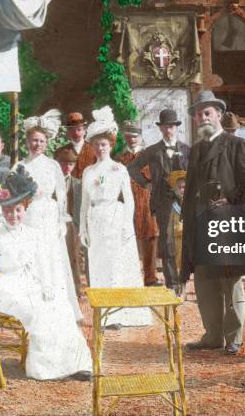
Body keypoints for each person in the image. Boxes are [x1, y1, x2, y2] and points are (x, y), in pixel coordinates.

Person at [0, 166, 92, 381]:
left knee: (61, 306)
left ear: (25, 208)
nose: (13, 215)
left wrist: (48, 286)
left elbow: (42, 264)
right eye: (7, 210)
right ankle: (46, 368)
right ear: (1, 210)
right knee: (38, 312)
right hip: (3, 287)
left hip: (29, 284)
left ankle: (75, 364)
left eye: (18, 210)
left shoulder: (32, 234)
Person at [181, 91, 245, 355]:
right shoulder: (196, 150)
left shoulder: (236, 145)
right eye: (199, 113)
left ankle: (233, 337)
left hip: (227, 225)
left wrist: (230, 199)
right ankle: (213, 335)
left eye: (208, 112)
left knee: (231, 280)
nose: (203, 117)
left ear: (218, 115)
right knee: (205, 282)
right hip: (201, 225)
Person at [79, 106, 152, 328]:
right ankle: (104, 313)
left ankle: (119, 314)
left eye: (104, 144)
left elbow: (128, 199)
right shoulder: (88, 172)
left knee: (115, 264)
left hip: (114, 216)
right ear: (91, 147)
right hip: (95, 218)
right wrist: (83, 227)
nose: (100, 148)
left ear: (110, 146)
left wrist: (126, 226)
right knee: (99, 264)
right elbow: (84, 204)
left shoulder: (119, 168)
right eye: (96, 144)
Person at [13, 110, 82, 322]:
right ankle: (34, 305)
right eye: (34, 140)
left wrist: (61, 220)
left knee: (52, 256)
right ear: (27, 142)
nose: (37, 145)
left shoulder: (52, 165)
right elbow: (13, 196)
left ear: (47, 143)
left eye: (41, 141)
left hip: (49, 215)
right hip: (30, 214)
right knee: (33, 256)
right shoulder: (20, 166)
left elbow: (61, 195)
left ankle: (56, 304)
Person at [128, 109, 190, 293]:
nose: (168, 130)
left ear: (176, 127)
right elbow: (132, 167)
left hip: (185, 202)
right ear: (160, 129)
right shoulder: (152, 151)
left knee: (184, 241)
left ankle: (184, 280)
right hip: (163, 202)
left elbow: (196, 172)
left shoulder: (187, 150)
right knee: (168, 242)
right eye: (165, 127)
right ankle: (172, 283)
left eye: (171, 126)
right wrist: (146, 183)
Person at [115, 120, 161, 286]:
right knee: (127, 239)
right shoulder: (119, 159)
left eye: (135, 136)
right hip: (127, 203)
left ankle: (150, 277)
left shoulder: (150, 156)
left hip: (148, 202)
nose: (132, 139)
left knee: (150, 238)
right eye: (128, 136)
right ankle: (129, 278)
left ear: (141, 137)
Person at [54, 144, 84, 297]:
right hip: (54, 224)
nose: (67, 167)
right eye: (63, 163)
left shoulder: (78, 184)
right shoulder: (50, 183)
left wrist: (79, 227)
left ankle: (77, 290)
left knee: (74, 257)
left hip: (72, 225)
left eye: (71, 164)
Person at [168, 170, 187, 288]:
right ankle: (179, 287)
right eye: (179, 187)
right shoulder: (173, 204)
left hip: (188, 238)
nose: (182, 190)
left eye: (184, 187)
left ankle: (185, 289)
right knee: (177, 264)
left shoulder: (192, 203)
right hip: (176, 238)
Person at [65, 112, 96, 179]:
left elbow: (101, 172)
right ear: (68, 132)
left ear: (85, 131)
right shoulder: (61, 152)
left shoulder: (94, 150)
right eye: (72, 130)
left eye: (79, 129)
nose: (76, 133)